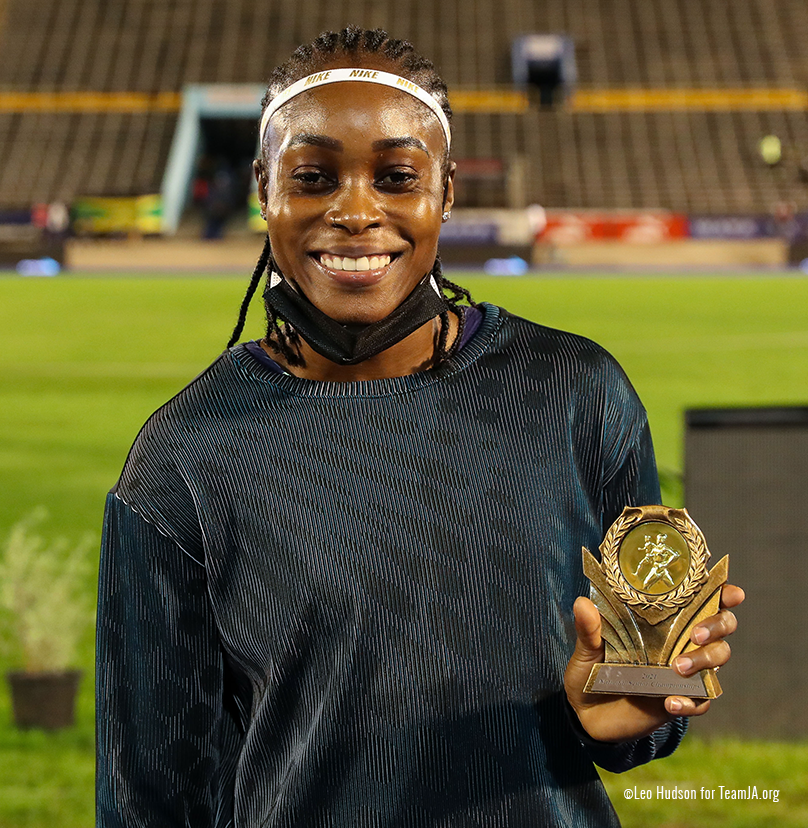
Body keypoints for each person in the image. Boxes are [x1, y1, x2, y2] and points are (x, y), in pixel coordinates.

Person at [96, 26, 742, 827]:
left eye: (397, 177)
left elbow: (640, 703)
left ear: (447, 190)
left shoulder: (576, 394)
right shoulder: (184, 456)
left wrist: (630, 711)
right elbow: (150, 799)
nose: (355, 211)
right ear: (264, 189)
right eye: (312, 177)